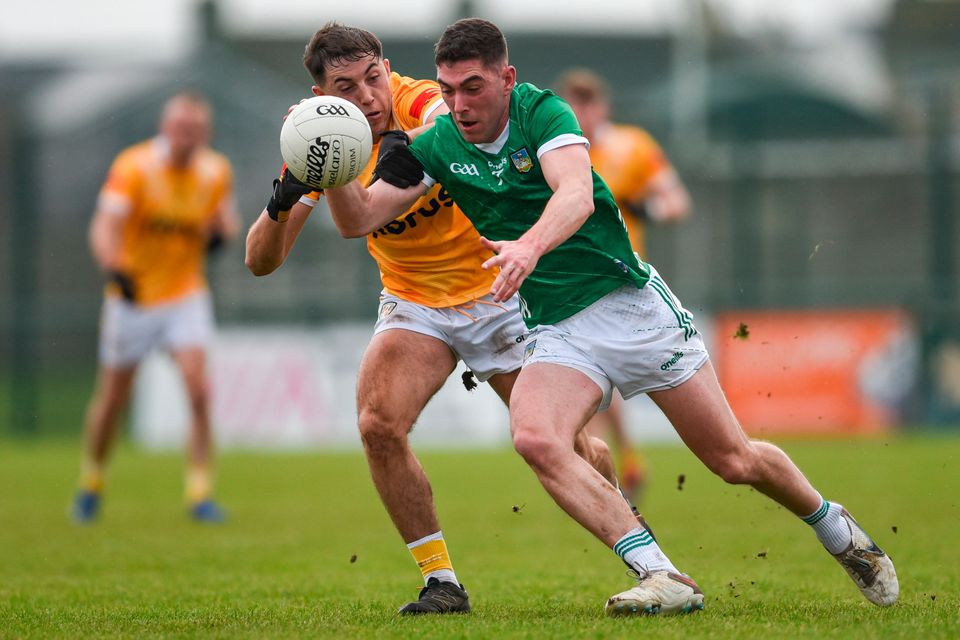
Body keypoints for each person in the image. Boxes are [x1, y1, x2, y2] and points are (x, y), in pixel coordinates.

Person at [323, 18, 899, 616]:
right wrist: (331, 169)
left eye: (473, 87)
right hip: (555, 326)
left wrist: (528, 246)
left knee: (734, 460)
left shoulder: (544, 114)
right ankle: (663, 575)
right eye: (448, 90)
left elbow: (573, 194)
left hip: (628, 307)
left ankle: (834, 526)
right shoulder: (436, 146)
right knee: (537, 438)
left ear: (506, 78)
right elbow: (357, 218)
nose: (460, 105)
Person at [244, 22, 622, 615]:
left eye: (373, 78)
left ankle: (630, 529)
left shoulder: (416, 97)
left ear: (385, 68)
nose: (367, 97)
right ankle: (440, 581)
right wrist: (283, 197)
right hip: (415, 299)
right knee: (377, 422)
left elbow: (440, 124)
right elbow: (259, 261)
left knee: (569, 446)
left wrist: (403, 142)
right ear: (321, 97)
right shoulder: (322, 139)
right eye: (346, 88)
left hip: (497, 290)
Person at [71, 92, 239, 524]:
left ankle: (199, 492)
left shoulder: (215, 170)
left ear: (206, 134)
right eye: (182, 129)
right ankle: (92, 482)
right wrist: (114, 268)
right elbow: (104, 226)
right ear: (166, 128)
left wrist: (223, 235)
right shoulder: (134, 167)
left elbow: (225, 219)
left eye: (196, 131)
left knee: (199, 391)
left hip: (185, 295)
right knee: (112, 399)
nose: (188, 138)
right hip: (133, 298)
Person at [556, 68, 693, 502]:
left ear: (603, 107)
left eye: (588, 103)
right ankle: (619, 469)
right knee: (594, 386)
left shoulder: (631, 146)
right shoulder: (555, 150)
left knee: (601, 387)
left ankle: (609, 477)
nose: (581, 112)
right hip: (571, 287)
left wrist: (644, 208)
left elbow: (677, 202)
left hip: (624, 286)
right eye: (572, 104)